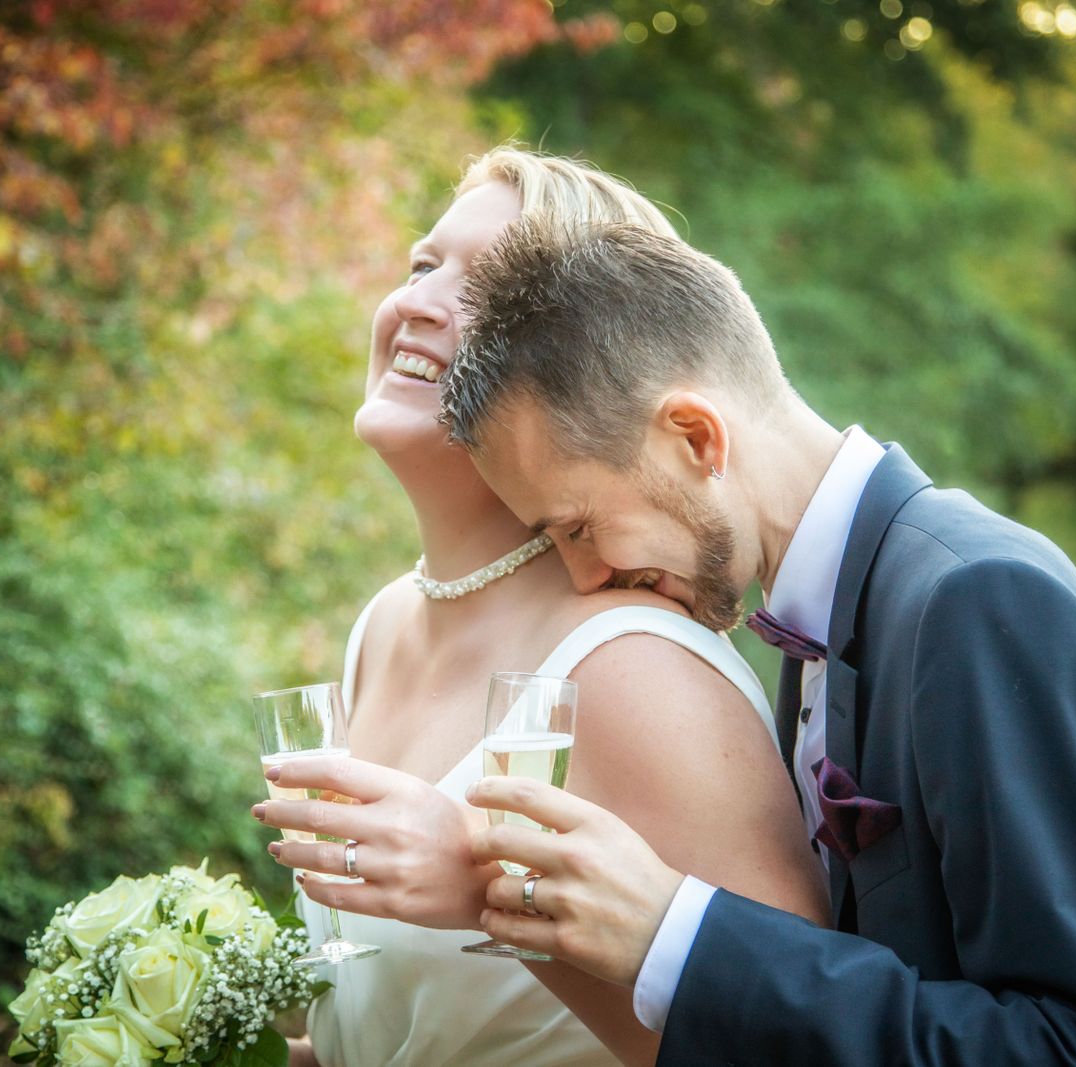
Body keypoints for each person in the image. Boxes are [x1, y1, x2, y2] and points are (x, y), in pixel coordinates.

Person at [438, 217, 1076, 1065]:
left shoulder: (976, 598)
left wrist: (675, 933)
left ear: (695, 437)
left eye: (577, 526)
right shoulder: (821, 629)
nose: (583, 578)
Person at [250, 150, 826, 1067]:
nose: (420, 303)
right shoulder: (387, 622)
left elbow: (788, 1039)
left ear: (577, 362)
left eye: (481, 290)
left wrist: (489, 886)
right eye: (422, 265)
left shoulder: (632, 667)